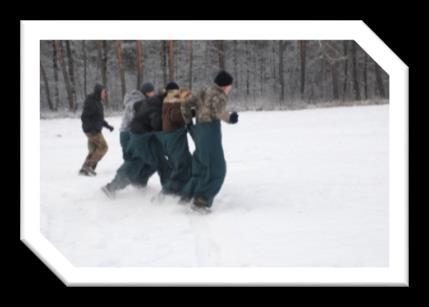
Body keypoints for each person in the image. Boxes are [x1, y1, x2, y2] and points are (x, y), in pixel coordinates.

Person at [180, 71, 238, 211]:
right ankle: (202, 200)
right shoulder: (219, 95)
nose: (230, 88)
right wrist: (230, 118)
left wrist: (188, 122)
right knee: (217, 169)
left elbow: (185, 104)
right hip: (210, 132)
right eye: (230, 85)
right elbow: (218, 111)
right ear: (225, 85)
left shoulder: (204, 90)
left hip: (198, 130)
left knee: (200, 166)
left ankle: (186, 196)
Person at [101, 84, 171, 199]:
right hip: (129, 134)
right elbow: (138, 113)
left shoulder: (147, 101)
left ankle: (139, 182)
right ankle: (112, 186)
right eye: (151, 92)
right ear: (146, 92)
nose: (153, 94)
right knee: (135, 160)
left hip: (141, 134)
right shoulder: (135, 100)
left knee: (153, 159)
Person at [157, 82, 193, 196]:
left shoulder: (167, 100)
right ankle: (165, 193)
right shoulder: (174, 101)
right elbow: (175, 116)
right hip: (175, 137)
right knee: (181, 168)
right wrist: (191, 112)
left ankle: (182, 190)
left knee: (182, 165)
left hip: (170, 137)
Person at [79, 84, 114, 176]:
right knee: (103, 147)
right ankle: (88, 167)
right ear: (99, 92)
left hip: (96, 129)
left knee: (93, 150)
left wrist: (107, 126)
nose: (105, 94)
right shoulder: (90, 102)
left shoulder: (98, 102)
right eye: (103, 92)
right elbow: (84, 117)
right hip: (92, 131)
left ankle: (85, 170)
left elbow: (98, 118)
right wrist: (90, 129)